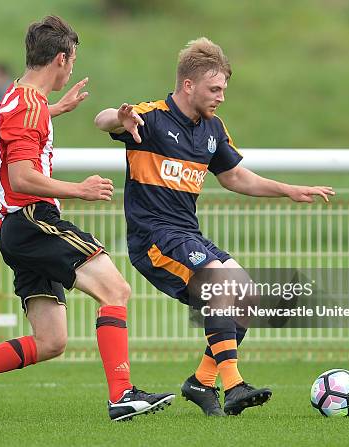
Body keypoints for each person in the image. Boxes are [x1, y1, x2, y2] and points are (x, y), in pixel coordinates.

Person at [0, 15, 174, 422]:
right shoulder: (28, 106)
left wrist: (59, 107)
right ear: (61, 58)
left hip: (15, 227)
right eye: (73, 59)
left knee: (51, 341)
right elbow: (21, 175)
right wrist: (80, 189)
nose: (73, 67)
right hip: (31, 219)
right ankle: (122, 395)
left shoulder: (20, 98)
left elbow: (23, 129)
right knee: (116, 291)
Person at [94, 37, 335, 416]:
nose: (221, 96)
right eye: (215, 88)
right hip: (153, 238)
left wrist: (289, 190)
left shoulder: (211, 128)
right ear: (188, 85)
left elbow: (236, 177)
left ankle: (202, 381)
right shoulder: (151, 117)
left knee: (248, 297)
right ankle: (234, 382)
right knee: (219, 284)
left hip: (186, 235)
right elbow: (102, 119)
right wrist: (117, 118)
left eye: (224, 88)